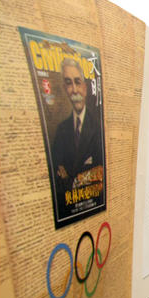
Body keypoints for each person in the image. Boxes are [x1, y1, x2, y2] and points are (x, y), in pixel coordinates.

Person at [51, 58, 104, 219]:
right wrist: (84, 177)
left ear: (85, 88)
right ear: (65, 89)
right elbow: (57, 179)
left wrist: (70, 179)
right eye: (69, 83)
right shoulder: (61, 131)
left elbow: (100, 176)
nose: (74, 90)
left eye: (77, 82)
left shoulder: (98, 127)